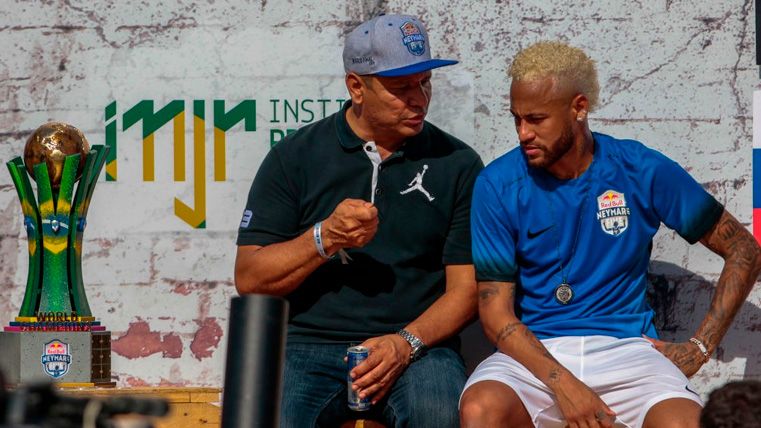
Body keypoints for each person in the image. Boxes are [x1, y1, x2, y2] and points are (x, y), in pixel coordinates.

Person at [458, 40, 761, 428]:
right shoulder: (498, 183)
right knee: (481, 409)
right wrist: (566, 385)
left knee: (683, 424)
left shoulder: (639, 168)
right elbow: (494, 312)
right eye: (516, 118)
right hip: (536, 351)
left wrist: (699, 348)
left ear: (579, 108)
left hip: (628, 351)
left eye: (536, 119)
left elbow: (743, 250)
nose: (523, 133)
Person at [235, 13, 483, 428]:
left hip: (418, 349)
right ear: (356, 87)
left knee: (439, 415)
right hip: (307, 346)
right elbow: (250, 277)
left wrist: (404, 344)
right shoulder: (294, 157)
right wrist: (324, 237)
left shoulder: (457, 163)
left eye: (425, 83)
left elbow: (467, 289)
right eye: (402, 88)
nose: (419, 99)